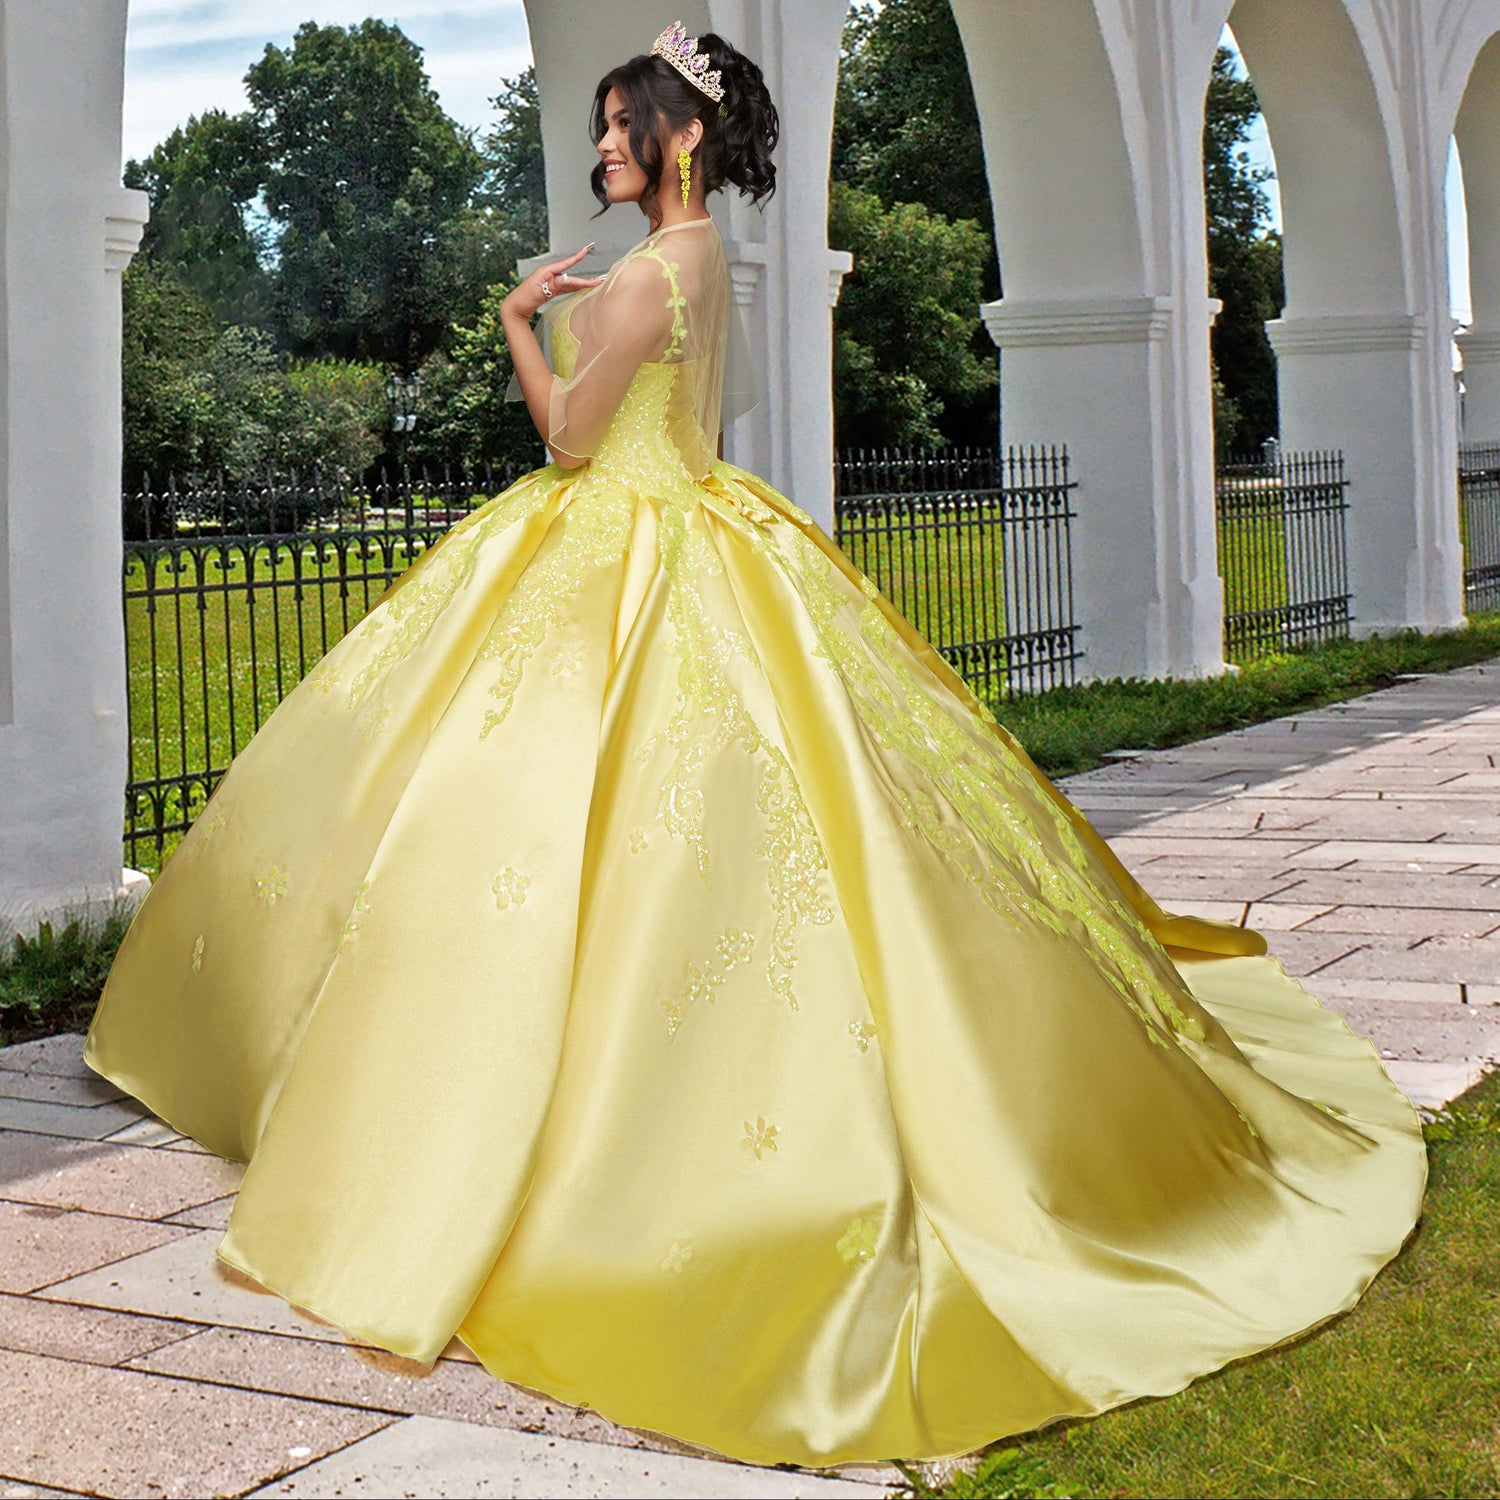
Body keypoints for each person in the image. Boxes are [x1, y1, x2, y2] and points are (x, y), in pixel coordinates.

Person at [85, 20, 1426, 1472]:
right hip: (706, 536)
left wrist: (518, 327)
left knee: (513, 821)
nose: (601, 144)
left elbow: (571, 448)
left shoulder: (645, 275)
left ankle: (489, 1124)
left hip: (618, 549)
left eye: (621, 124)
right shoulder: (704, 259)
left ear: (681, 136)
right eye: (599, 122)